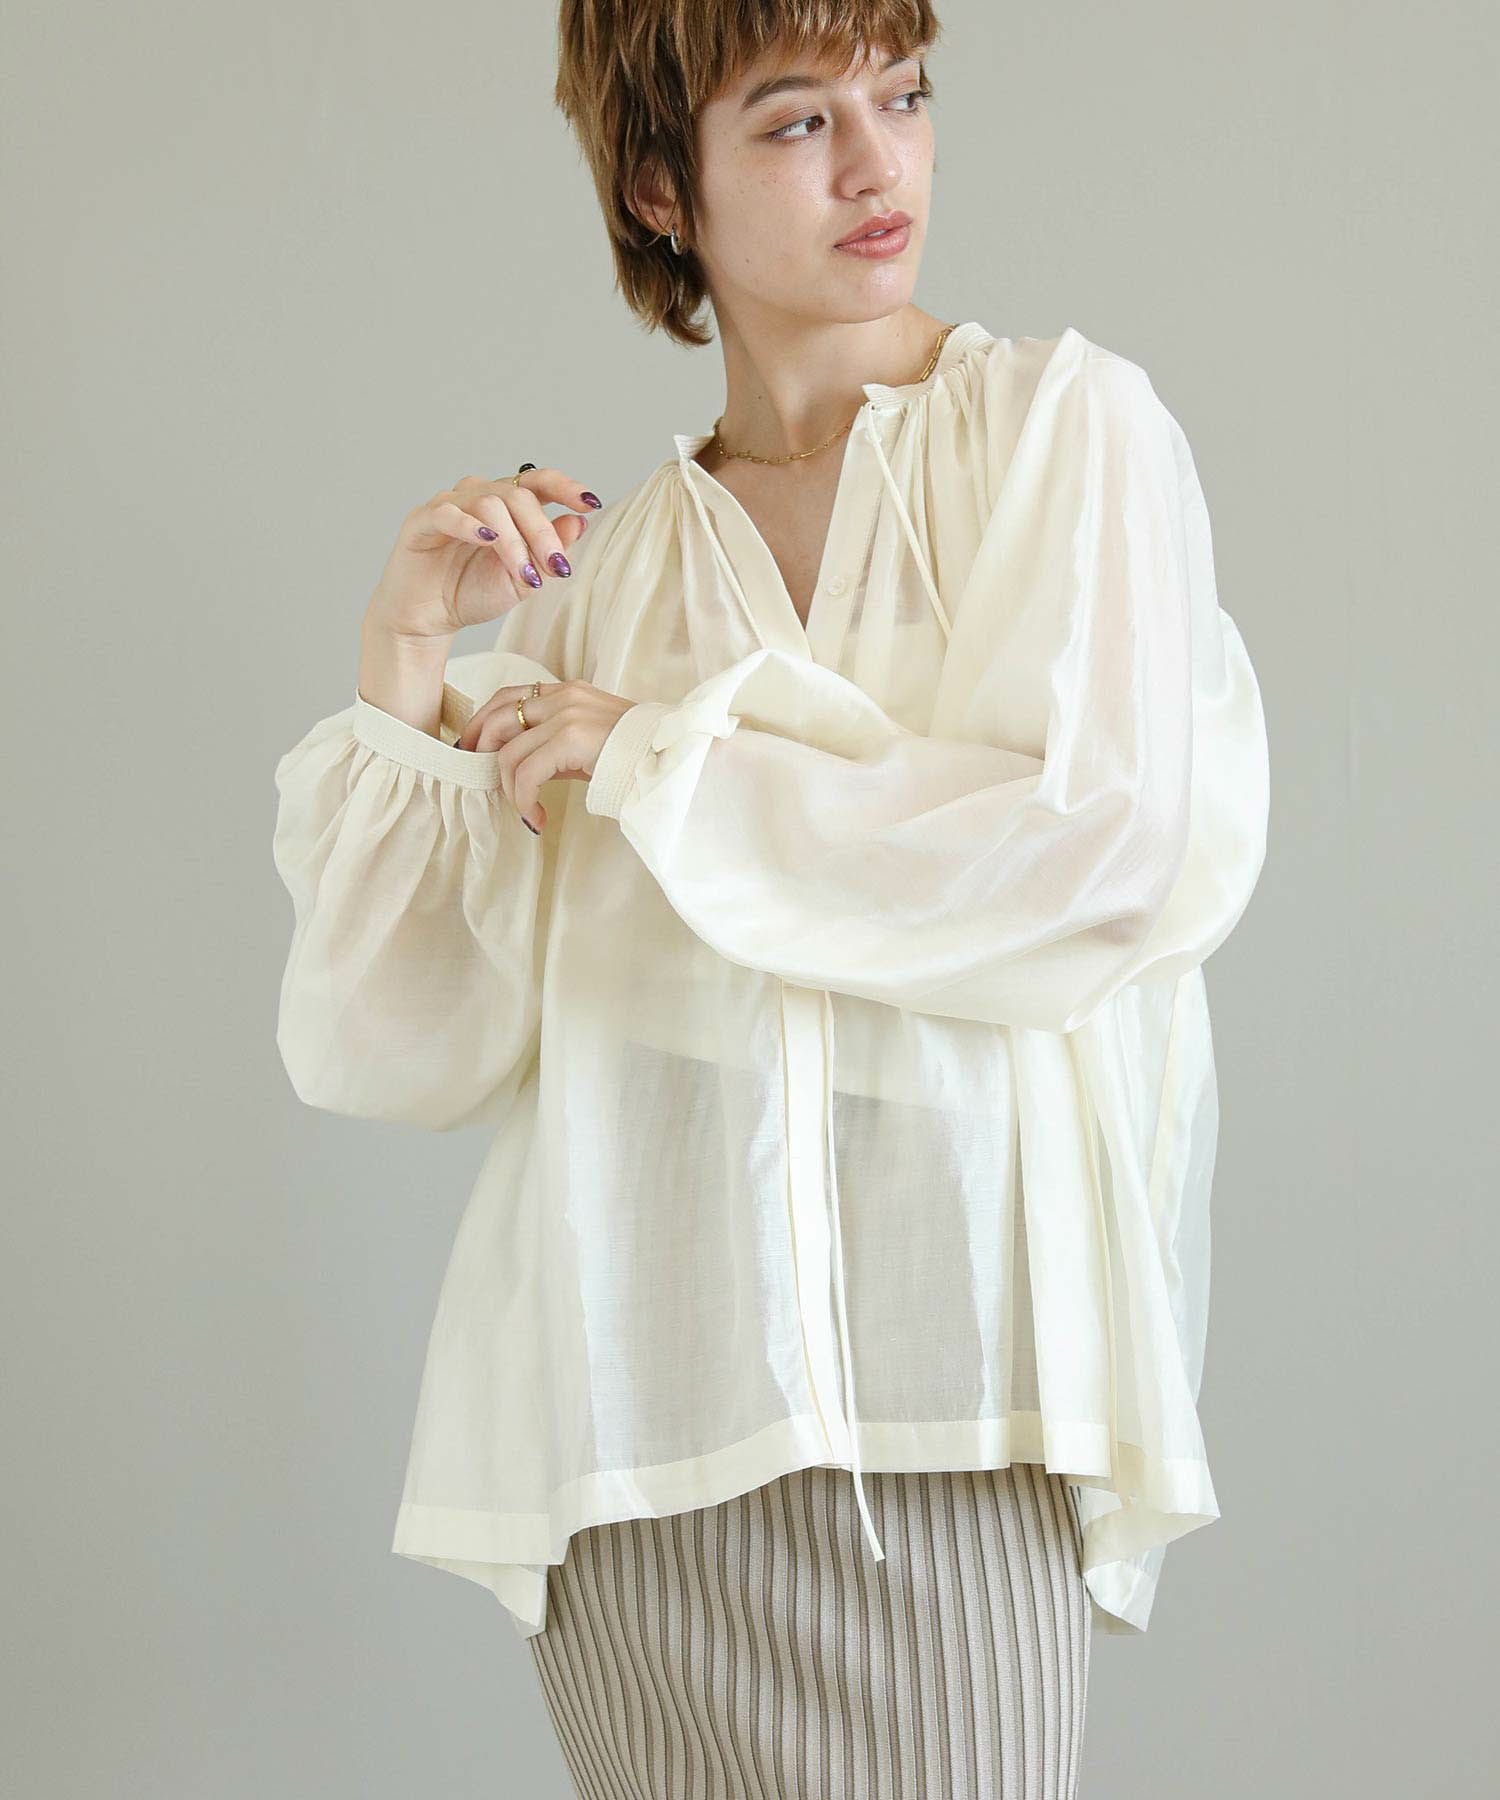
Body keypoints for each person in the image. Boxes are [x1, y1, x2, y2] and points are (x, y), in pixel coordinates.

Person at [271, 3, 1270, 1794]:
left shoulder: (1064, 433)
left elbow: (1089, 862)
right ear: (663, 187)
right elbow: (393, 1042)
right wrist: (410, 659)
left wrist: (668, 762)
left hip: (966, 1405)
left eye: (902, 95)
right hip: (641, 1457)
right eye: (799, 120)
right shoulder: (612, 591)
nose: (879, 162)